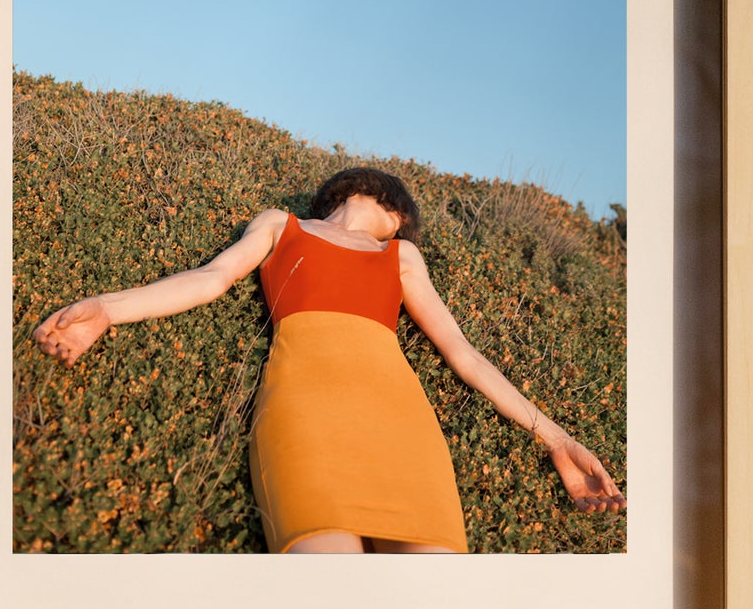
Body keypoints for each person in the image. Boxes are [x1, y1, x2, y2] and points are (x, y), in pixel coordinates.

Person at [32, 163, 624, 552]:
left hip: (403, 429)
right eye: (404, 218)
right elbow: (211, 279)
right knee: (328, 595)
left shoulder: (402, 259)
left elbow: (463, 354)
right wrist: (107, 309)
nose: (400, 228)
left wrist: (556, 438)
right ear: (385, 199)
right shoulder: (281, 225)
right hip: (306, 412)